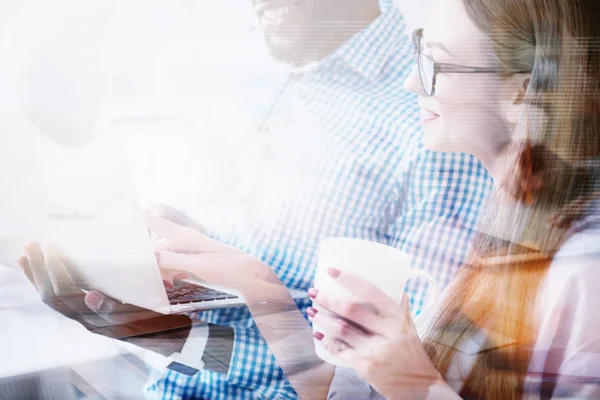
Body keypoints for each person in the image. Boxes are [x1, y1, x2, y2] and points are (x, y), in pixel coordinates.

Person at [18, 0, 492, 399]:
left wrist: (181, 335)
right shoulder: (257, 62)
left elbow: (369, 384)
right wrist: (182, 246)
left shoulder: (431, 122)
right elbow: (242, 310)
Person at [304, 0, 600, 398]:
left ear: (522, 91)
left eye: (434, 64)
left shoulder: (584, 267)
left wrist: (410, 382)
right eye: (419, 53)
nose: (411, 82)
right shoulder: (507, 219)